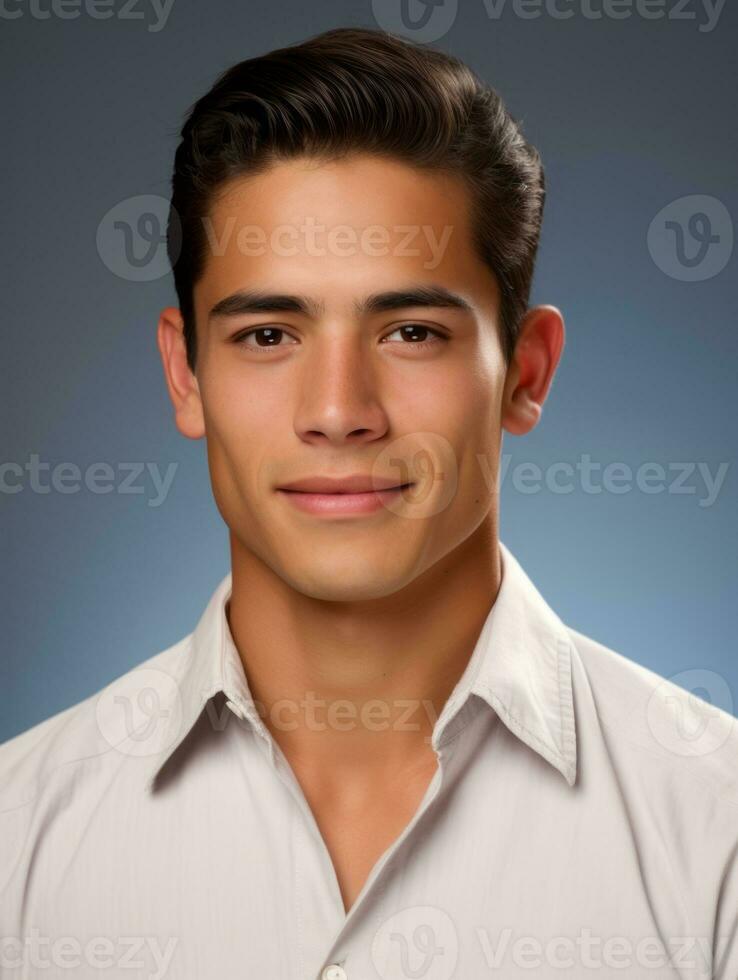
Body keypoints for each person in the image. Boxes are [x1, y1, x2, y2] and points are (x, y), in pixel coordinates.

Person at [1, 26, 736, 980]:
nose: (339, 412)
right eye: (268, 334)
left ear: (526, 372)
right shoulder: (18, 844)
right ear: (185, 374)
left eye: (412, 331)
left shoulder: (717, 833)